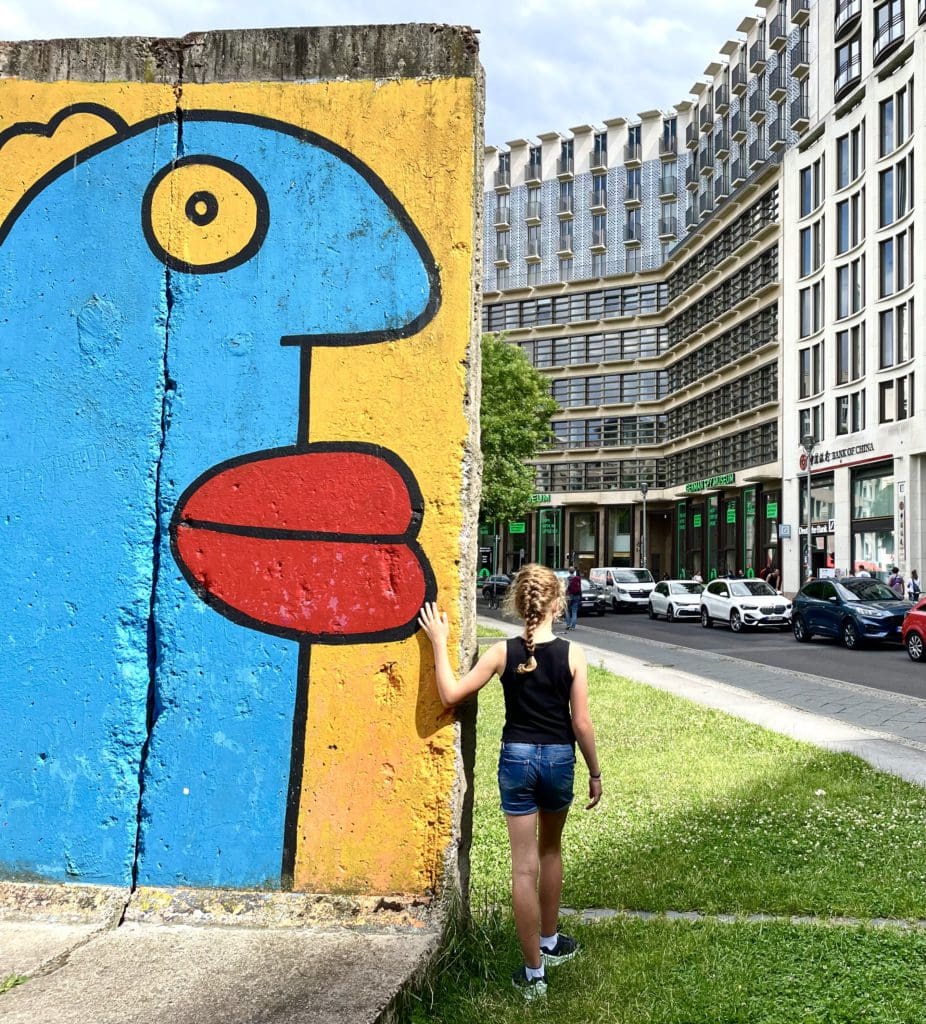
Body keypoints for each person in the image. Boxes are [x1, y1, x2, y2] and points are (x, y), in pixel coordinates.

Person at [418, 564, 602, 1001]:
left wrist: (438, 645)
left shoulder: (501, 653)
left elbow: (450, 695)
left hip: (516, 761)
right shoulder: (574, 655)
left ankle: (533, 974)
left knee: (523, 866)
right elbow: (582, 723)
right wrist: (595, 771)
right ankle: (550, 941)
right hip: (559, 760)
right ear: (557, 604)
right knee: (551, 850)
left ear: (518, 605)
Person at [565, 566, 582, 631]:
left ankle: (568, 625)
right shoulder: (577, 578)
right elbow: (580, 588)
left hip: (569, 596)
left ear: (569, 571)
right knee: (574, 611)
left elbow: (566, 588)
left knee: (567, 611)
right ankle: (573, 627)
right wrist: (580, 596)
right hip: (577, 595)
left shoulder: (567, 579)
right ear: (574, 571)